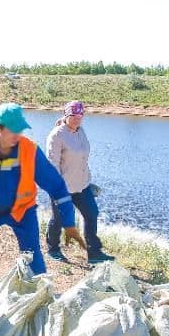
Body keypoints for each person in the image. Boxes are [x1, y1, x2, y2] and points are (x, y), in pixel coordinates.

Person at [0, 103, 84, 276]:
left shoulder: (30, 150)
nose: (18, 135)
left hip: (23, 212)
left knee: (33, 258)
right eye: (13, 130)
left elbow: (57, 187)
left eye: (20, 129)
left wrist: (69, 223)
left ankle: (41, 293)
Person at [45, 101, 114, 264]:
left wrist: (88, 180)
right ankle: (53, 249)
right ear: (66, 115)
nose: (77, 119)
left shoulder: (81, 131)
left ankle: (94, 253)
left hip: (82, 185)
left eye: (80, 116)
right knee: (59, 219)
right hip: (63, 188)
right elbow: (52, 164)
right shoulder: (56, 135)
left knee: (92, 214)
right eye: (73, 116)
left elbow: (82, 157)